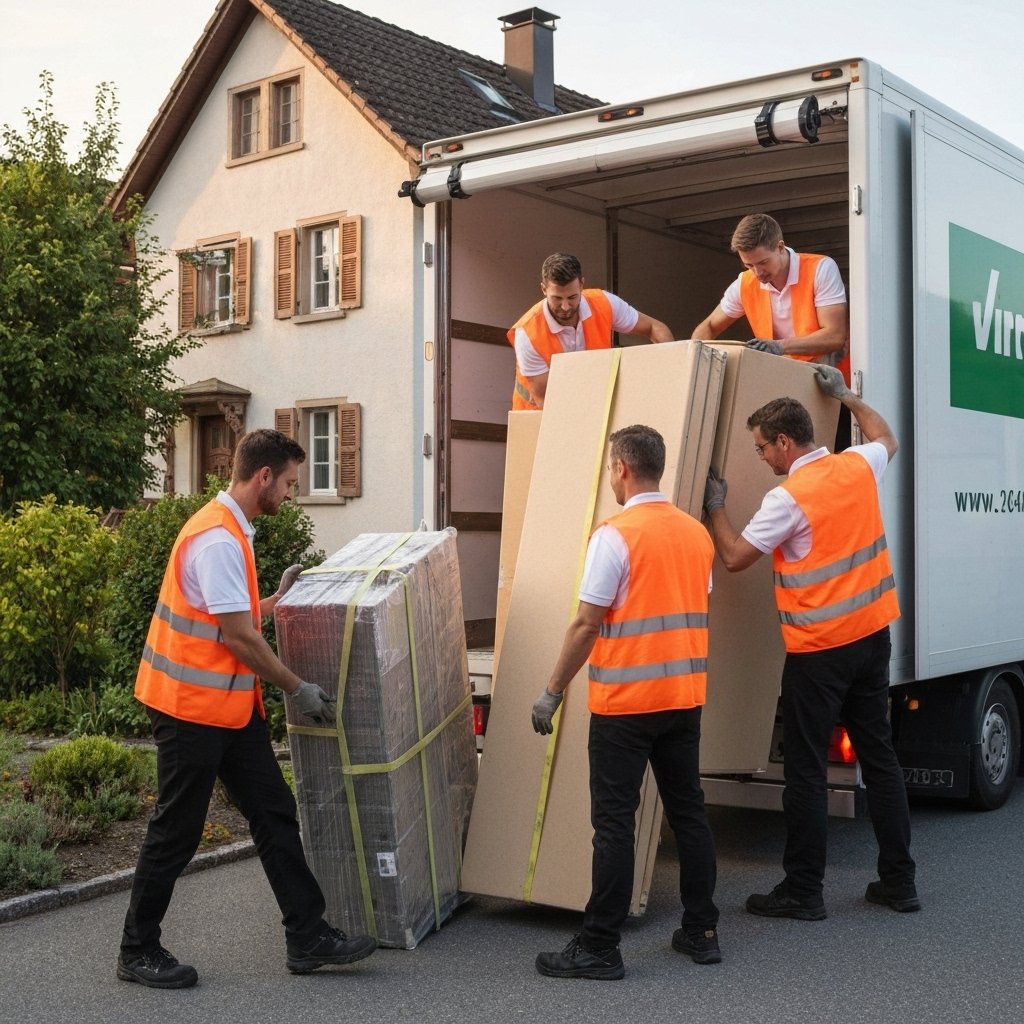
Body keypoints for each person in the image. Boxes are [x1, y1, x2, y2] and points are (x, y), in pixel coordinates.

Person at [118, 429, 375, 989]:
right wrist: (297, 687)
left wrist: (273, 602)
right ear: (263, 477)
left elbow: (227, 614)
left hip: (228, 710)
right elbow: (237, 637)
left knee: (274, 811)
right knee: (177, 830)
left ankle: (307, 936)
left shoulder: (231, 529)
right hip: (189, 709)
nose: (290, 494)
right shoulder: (216, 538)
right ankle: (137, 949)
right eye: (288, 483)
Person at [702, 366, 918, 921]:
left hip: (819, 651)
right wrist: (847, 397)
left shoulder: (788, 499)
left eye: (760, 448)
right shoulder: (856, 465)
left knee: (805, 770)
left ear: (784, 441)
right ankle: (899, 883)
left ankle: (803, 891)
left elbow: (734, 557)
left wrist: (715, 507)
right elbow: (888, 438)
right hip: (872, 637)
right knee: (880, 759)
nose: (761, 458)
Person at [532, 424, 720, 980]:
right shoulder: (696, 535)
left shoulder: (615, 536)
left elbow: (586, 623)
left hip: (625, 707)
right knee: (689, 813)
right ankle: (701, 931)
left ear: (622, 468)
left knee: (615, 825)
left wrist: (552, 692)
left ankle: (599, 946)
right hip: (682, 699)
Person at [508, 252, 675, 410]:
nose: (565, 307)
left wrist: (675, 374)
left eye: (572, 297)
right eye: (557, 298)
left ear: (582, 285)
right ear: (544, 289)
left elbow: (656, 328)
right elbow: (545, 401)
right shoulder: (528, 333)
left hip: (590, 406)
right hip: (535, 416)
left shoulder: (604, 303)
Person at [691, 213, 848, 375]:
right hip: (778, 373)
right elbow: (708, 326)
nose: (757, 272)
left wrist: (779, 346)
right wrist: (696, 366)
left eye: (763, 262)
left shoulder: (820, 269)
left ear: (780, 247)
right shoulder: (744, 283)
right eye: (749, 265)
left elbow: (834, 336)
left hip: (827, 375)